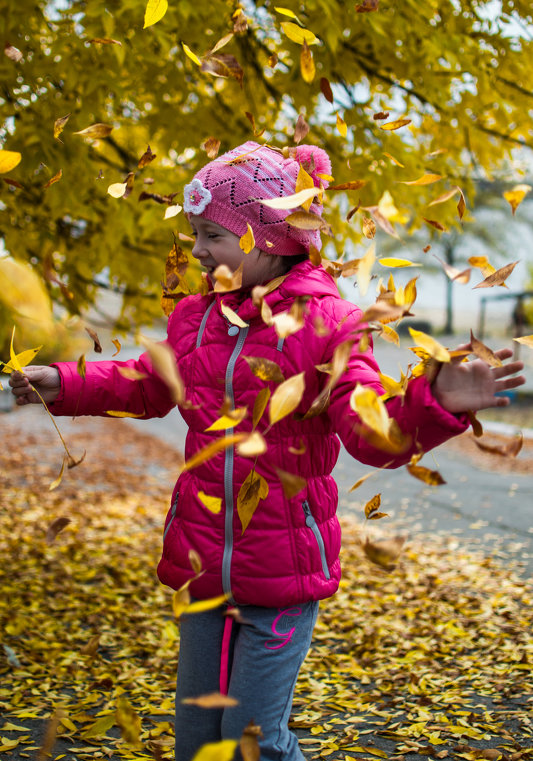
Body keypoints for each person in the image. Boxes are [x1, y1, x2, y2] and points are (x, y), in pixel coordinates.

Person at [9, 141, 525, 761]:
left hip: (282, 569)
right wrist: (62, 381)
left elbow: (372, 435)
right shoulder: (194, 320)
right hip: (202, 562)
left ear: (269, 239)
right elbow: (146, 384)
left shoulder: (330, 324)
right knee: (199, 737)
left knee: (255, 741)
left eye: (211, 235)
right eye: (194, 233)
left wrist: (434, 401)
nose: (196, 249)